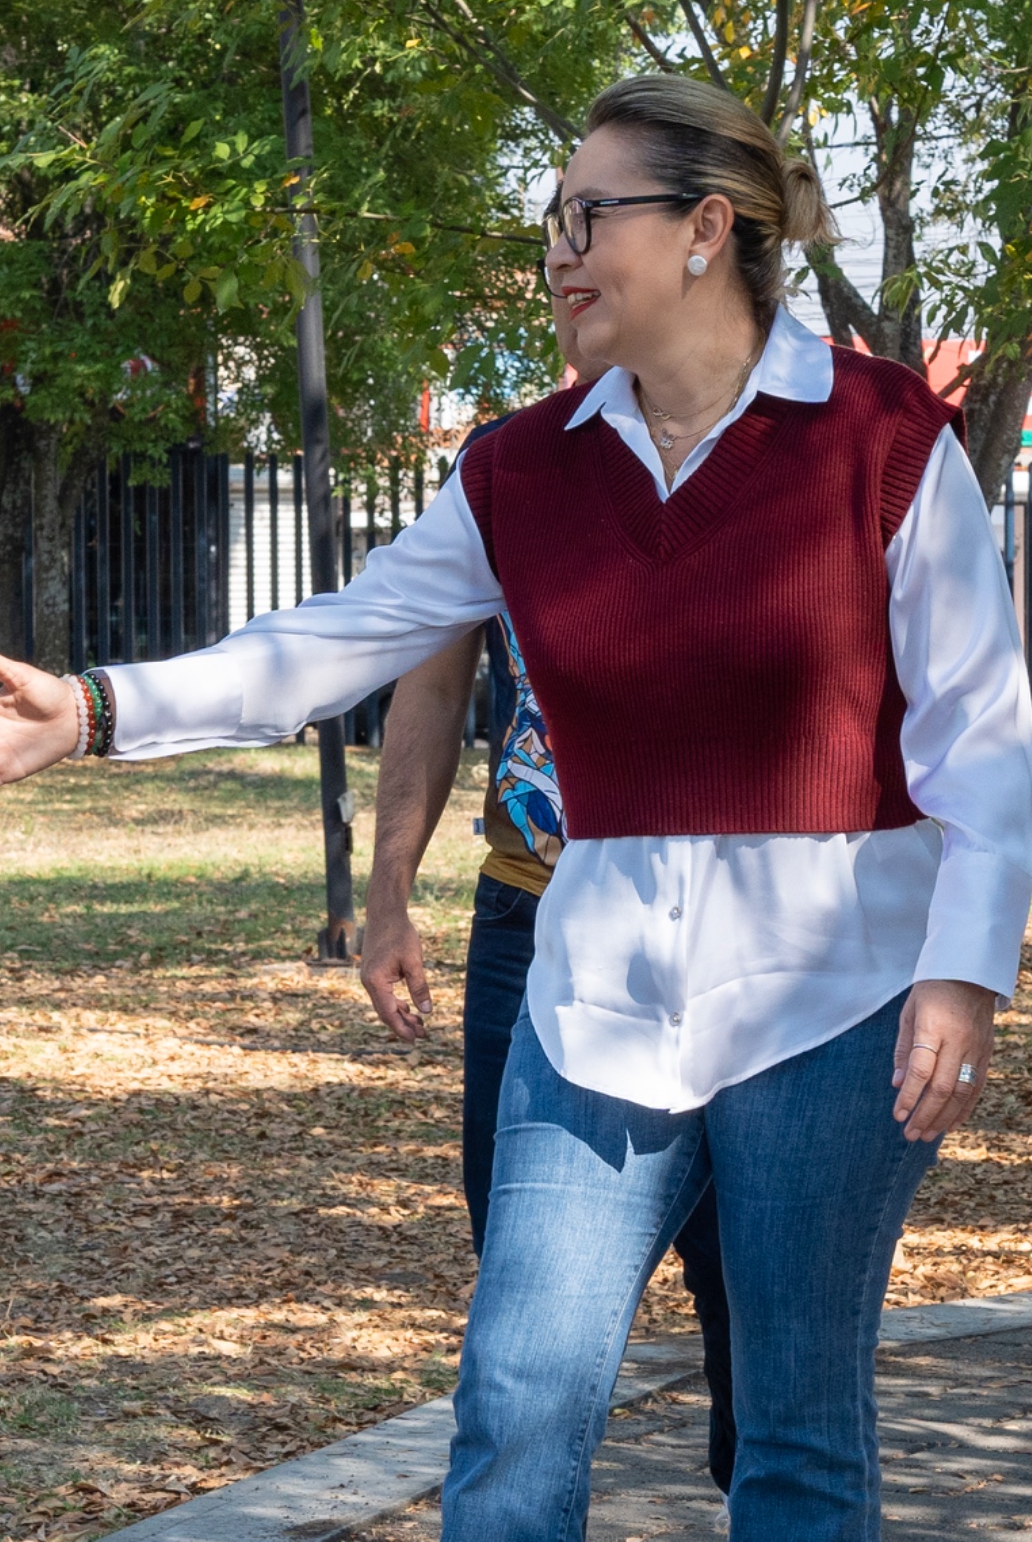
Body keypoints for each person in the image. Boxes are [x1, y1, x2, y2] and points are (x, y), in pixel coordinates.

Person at [0, 73, 1032, 1540]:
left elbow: (980, 732)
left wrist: (962, 973)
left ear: (707, 228)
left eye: (590, 214)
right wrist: (97, 711)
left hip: (838, 1005)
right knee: (515, 1406)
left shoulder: (880, 436)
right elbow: (336, 639)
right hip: (598, 1005)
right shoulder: (522, 467)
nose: (560, 251)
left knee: (794, 1428)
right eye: (552, 218)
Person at [357, 304, 736, 1496]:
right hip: (532, 919)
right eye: (557, 260)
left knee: (758, 1326)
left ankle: (749, 1482)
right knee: (527, 1318)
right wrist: (386, 897)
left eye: (591, 248)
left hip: (746, 931)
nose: (571, 284)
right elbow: (424, 683)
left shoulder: (765, 456)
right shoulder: (508, 473)